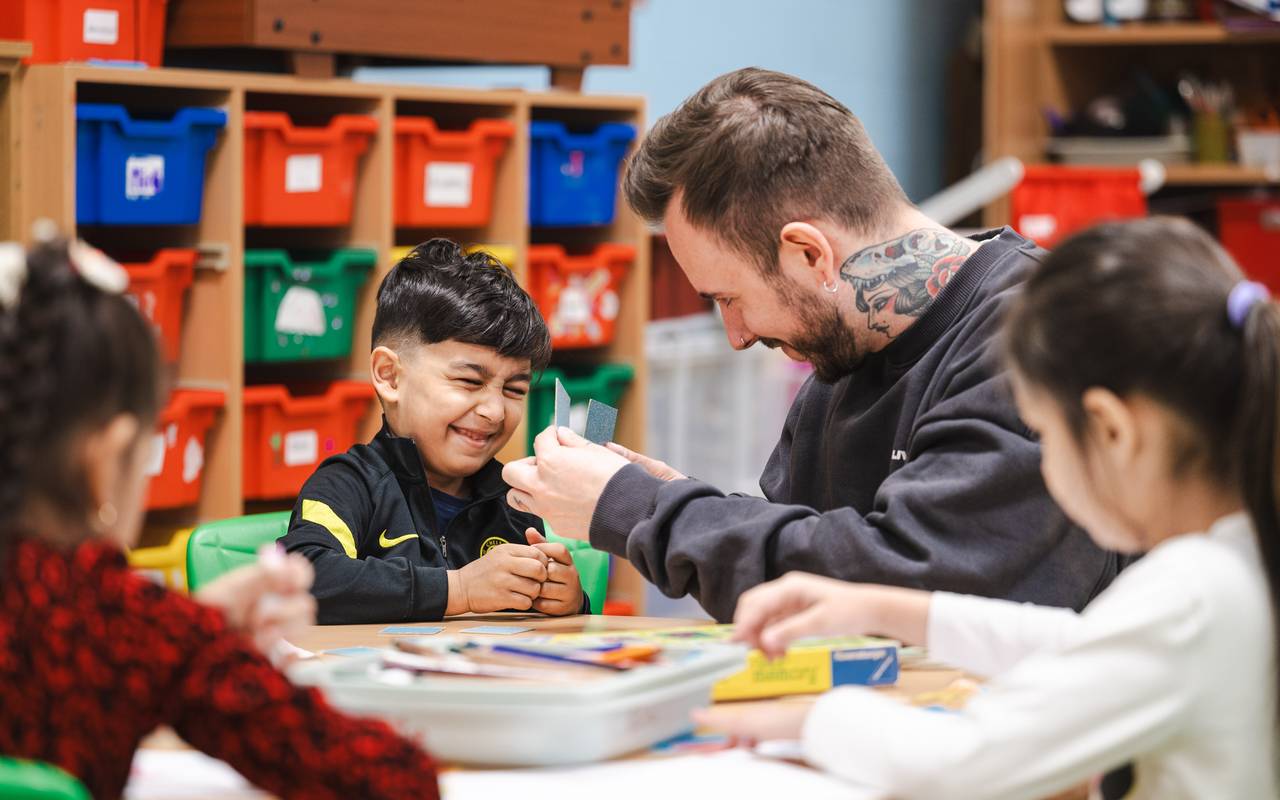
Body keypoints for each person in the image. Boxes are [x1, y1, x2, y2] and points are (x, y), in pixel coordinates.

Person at [503, 67, 1121, 622]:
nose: (737, 335)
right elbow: (801, 548)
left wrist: (641, 509)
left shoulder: (1034, 338)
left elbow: (916, 585)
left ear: (808, 253)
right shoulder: (843, 349)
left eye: (728, 298)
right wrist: (669, 495)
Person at [698, 218, 1278, 799]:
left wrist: (810, 721)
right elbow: (1078, 642)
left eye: (1044, 433)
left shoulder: (1192, 597)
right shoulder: (1229, 561)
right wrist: (876, 607)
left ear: (1112, 432)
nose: (1041, 462)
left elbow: (960, 763)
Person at [0, 231, 440, 800]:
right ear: (105, 462)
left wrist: (193, 619)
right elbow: (389, 779)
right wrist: (194, 635)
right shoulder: (130, 627)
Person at [280, 240, 586, 624]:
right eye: (469, 382)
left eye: (514, 390)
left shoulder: (514, 502)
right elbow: (301, 578)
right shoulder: (348, 484)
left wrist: (568, 601)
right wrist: (457, 589)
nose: (493, 411)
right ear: (390, 376)